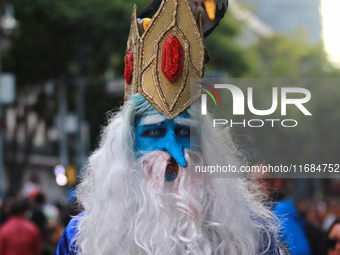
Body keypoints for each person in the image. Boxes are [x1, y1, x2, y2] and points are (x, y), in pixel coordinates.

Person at [56, 0, 281, 254]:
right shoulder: (82, 238)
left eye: (185, 132)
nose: (174, 151)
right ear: (128, 144)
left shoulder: (252, 235)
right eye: (154, 132)